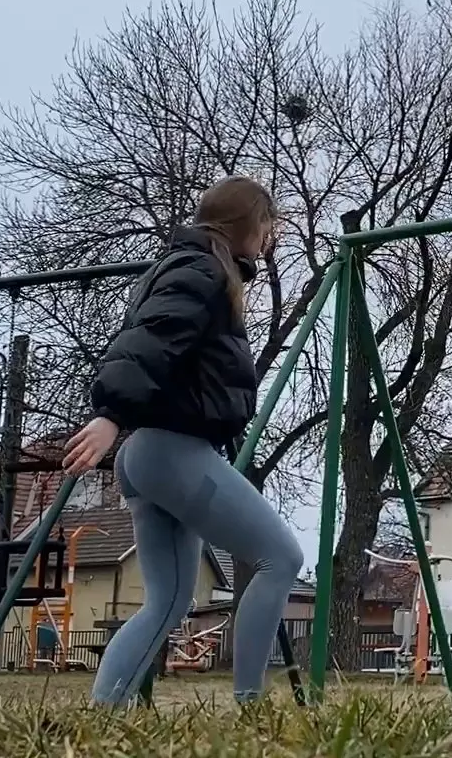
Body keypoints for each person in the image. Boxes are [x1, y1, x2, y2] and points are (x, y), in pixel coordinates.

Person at [62, 175, 304, 706]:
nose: (269, 238)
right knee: (280, 559)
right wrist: (110, 413)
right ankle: (251, 708)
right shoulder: (200, 270)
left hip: (150, 455)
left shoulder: (193, 265)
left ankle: (103, 713)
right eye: (265, 226)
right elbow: (151, 340)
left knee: (168, 600)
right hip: (171, 451)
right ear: (244, 224)